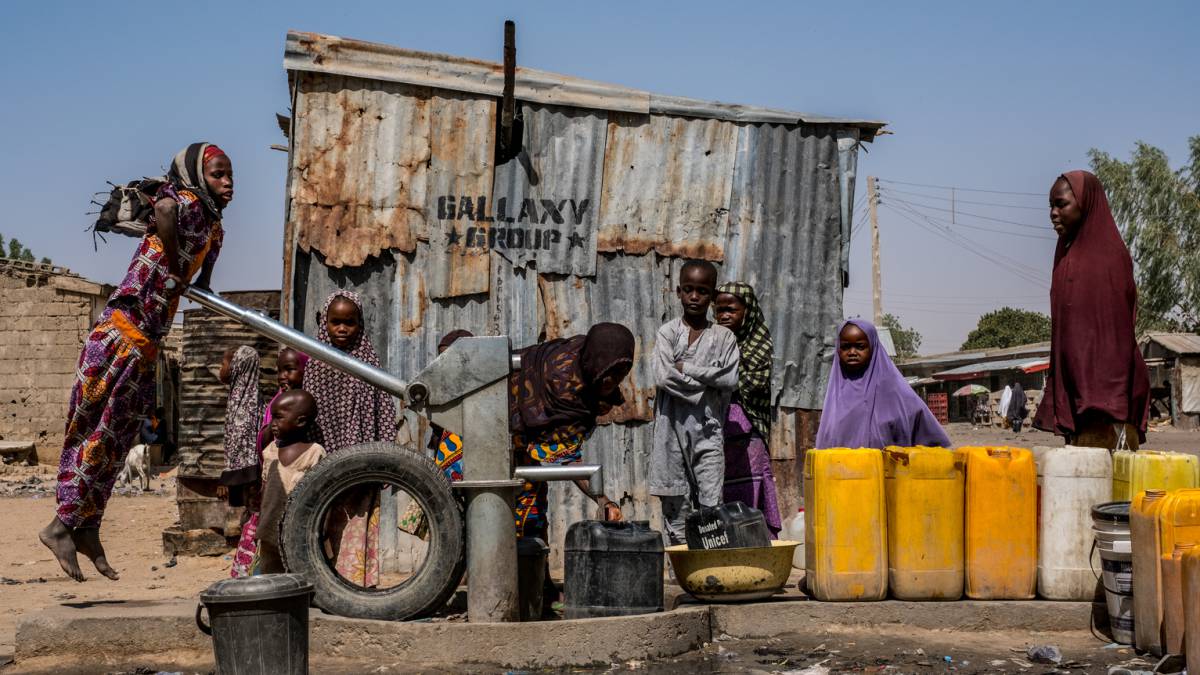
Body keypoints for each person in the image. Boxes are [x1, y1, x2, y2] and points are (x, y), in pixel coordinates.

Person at [41, 142, 232, 582]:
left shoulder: (213, 228)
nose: (228, 184)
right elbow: (163, 210)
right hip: (119, 336)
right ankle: (61, 525)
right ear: (199, 177)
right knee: (92, 432)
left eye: (230, 177)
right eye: (219, 175)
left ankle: (87, 527)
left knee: (118, 440)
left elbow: (203, 279)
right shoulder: (183, 203)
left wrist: (192, 281)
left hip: (147, 344)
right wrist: (170, 256)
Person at [1033, 171, 1150, 450]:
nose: (1053, 213)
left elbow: (1112, 342)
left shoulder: (1108, 259)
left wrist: (1103, 402)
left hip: (1106, 413)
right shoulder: (1066, 258)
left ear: (1086, 203)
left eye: (1061, 204)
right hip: (1080, 408)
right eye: (1050, 205)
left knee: (1109, 489)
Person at [303, 290, 396, 587]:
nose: (342, 329)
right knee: (324, 523)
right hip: (325, 464)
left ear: (360, 324)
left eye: (350, 323)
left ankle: (356, 585)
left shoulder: (367, 361)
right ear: (325, 323)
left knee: (358, 522)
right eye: (336, 322)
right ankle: (325, 585)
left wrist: (384, 456)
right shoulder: (316, 362)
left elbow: (383, 409)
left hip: (362, 464)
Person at [510, 323, 633, 538]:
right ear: (593, 360)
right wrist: (603, 500)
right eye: (606, 371)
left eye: (619, 373)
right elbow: (568, 458)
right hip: (475, 438)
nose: (610, 381)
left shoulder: (588, 374)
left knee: (530, 525)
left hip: (518, 453)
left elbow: (567, 456)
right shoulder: (561, 383)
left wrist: (604, 502)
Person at [651, 261, 740, 545]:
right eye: (688, 290)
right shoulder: (668, 333)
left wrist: (687, 369)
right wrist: (705, 383)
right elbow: (664, 377)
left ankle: (708, 564)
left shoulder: (724, 337)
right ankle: (680, 565)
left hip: (708, 431)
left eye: (702, 291)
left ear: (712, 297)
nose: (694, 297)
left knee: (711, 502)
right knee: (675, 500)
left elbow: (729, 379)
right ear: (678, 292)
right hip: (670, 430)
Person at [231, 346, 309, 578]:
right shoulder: (275, 404)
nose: (283, 376)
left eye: (290, 370)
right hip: (269, 492)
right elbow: (263, 447)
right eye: (279, 371)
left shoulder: (306, 405)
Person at [816, 319, 951, 449]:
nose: (852, 352)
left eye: (860, 346)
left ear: (873, 347)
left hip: (888, 469)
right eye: (845, 347)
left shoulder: (894, 390)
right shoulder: (835, 395)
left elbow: (927, 434)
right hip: (841, 469)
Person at [713, 282, 781, 537]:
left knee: (751, 488)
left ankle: (758, 543)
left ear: (748, 311)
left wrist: (713, 377)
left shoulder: (758, 345)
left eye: (731, 309)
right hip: (717, 432)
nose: (724, 316)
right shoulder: (710, 342)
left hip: (748, 432)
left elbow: (751, 385)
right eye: (719, 310)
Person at [255, 390, 325, 574]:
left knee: (301, 573)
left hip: (300, 531)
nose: (273, 424)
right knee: (270, 574)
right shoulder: (271, 450)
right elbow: (265, 487)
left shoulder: (314, 453)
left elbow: (320, 494)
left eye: (278, 418)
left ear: (300, 421)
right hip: (270, 528)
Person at [219, 346, 262, 508]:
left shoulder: (244, 403)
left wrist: (227, 477)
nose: (220, 369)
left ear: (236, 366)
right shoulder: (247, 395)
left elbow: (238, 441)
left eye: (223, 364)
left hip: (245, 478)